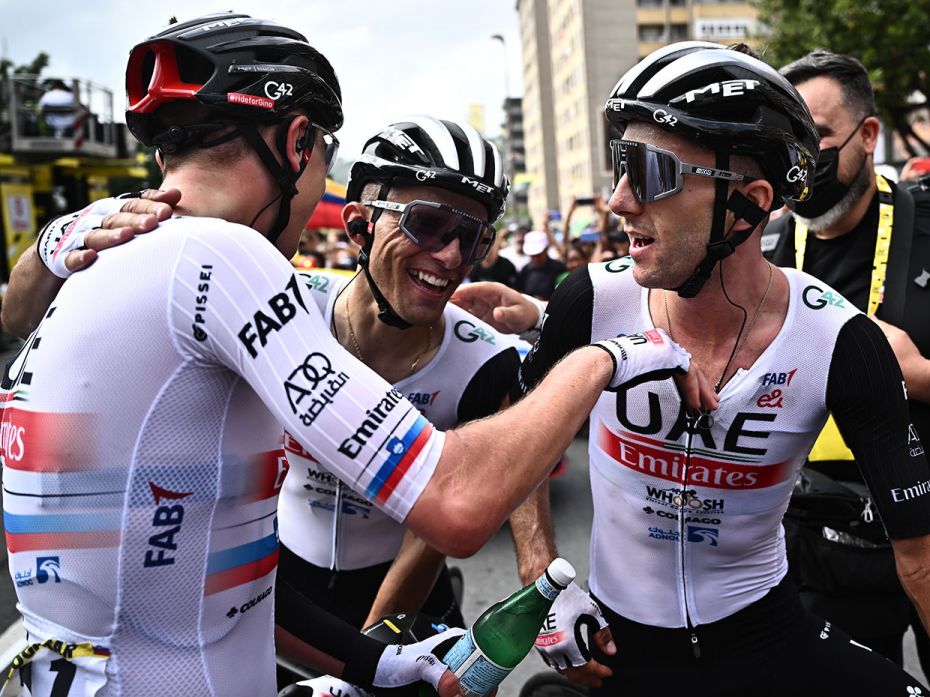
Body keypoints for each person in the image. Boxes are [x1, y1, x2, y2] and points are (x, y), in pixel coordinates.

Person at [0, 14, 707, 697]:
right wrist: (606, 356)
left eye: (473, 237)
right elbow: (458, 504)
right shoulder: (226, 255)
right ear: (298, 142)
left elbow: (209, 576)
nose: (317, 199)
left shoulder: (103, 256)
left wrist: (380, 664)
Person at [455, 41, 930, 695]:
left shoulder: (840, 338)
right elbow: (519, 435)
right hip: (618, 646)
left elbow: (920, 556)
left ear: (749, 202)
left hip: (768, 638)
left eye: (650, 172)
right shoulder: (589, 299)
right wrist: (541, 575)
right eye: (619, 163)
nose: (619, 199)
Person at [762, 49, 930, 670]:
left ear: (867, 136)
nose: (802, 163)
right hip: (824, 537)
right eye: (789, 142)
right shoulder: (766, 246)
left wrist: (917, 375)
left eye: (820, 138)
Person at [516, 229, 566, 300]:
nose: (536, 259)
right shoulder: (525, 270)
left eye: (539, 255)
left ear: (546, 249)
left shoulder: (559, 268)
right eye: (532, 255)